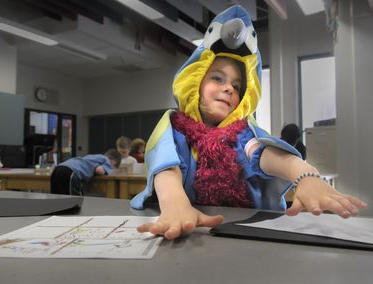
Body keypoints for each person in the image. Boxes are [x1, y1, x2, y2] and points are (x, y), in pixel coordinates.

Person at [130, 5, 367, 240]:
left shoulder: (241, 135)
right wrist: (174, 203)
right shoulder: (176, 130)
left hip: (239, 233)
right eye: (217, 78)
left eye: (236, 86)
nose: (227, 88)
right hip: (187, 232)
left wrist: (305, 174)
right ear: (196, 81)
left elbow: (263, 153)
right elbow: (166, 167)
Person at [50, 149, 121, 195]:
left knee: (57, 199)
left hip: (57, 169)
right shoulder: (106, 160)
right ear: (113, 162)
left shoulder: (92, 157)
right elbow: (99, 170)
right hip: (71, 171)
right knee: (73, 202)